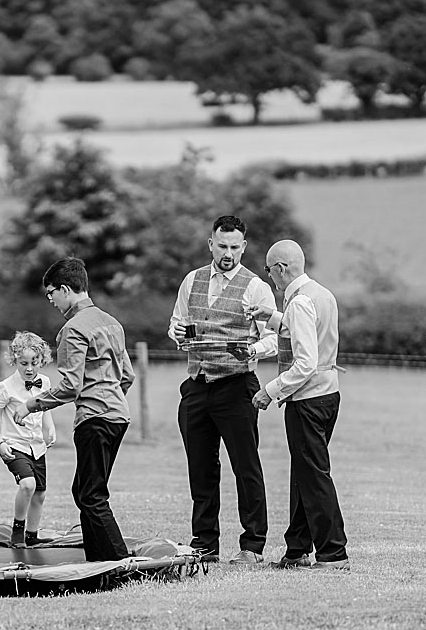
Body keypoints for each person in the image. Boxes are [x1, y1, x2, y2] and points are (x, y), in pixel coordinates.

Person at [166, 215, 281, 564]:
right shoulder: (192, 280)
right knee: (200, 468)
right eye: (222, 246)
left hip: (237, 385)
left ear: (243, 247)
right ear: (210, 244)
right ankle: (204, 544)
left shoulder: (255, 286)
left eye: (235, 247)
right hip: (197, 386)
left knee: (245, 467)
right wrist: (179, 334)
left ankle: (252, 545)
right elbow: (176, 324)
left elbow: (276, 337)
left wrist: (253, 350)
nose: (228, 253)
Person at [27, 257, 141, 563]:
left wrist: (32, 405)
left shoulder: (73, 329)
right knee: (85, 491)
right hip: (118, 416)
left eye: (51, 292)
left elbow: (70, 386)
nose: (50, 299)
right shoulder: (111, 323)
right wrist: (111, 397)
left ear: (65, 289)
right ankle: (98, 559)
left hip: (95, 419)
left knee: (92, 495)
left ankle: (117, 562)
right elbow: (127, 376)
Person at [250, 240, 349, 570]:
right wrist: (273, 317)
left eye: (268, 269)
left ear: (280, 268)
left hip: (307, 399)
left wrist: (271, 390)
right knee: (304, 473)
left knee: (314, 475)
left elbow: (305, 362)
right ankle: (297, 549)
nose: (269, 276)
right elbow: (310, 332)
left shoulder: (300, 302)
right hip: (328, 395)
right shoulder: (321, 294)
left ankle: (333, 552)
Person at [0, 331, 61, 549]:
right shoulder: (5, 387)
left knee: (39, 493)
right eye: (23, 363)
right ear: (14, 360)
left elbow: (44, 406)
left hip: (37, 446)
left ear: (42, 361)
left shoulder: (45, 382)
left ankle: (32, 535)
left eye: (34, 363)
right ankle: (17, 531)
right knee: (27, 485)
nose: (29, 368)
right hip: (13, 445)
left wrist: (50, 427)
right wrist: (0, 443)